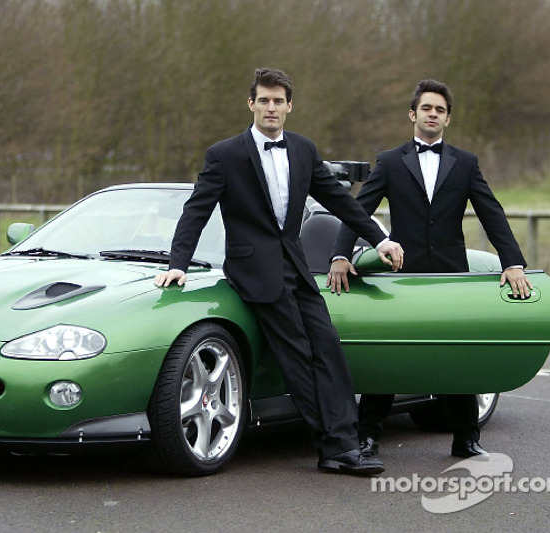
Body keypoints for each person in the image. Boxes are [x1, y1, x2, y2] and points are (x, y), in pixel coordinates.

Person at [154, 68, 404, 476]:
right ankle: (333, 448)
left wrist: (379, 240)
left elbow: (342, 202)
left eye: (279, 101)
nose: (271, 108)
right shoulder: (225, 154)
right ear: (251, 104)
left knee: (329, 350)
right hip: (255, 274)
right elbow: (196, 210)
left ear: (290, 106)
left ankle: (346, 440)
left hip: (297, 269)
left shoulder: (304, 150)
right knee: (298, 358)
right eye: (264, 100)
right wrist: (177, 265)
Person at [327, 78, 532, 460]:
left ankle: (466, 439)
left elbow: (491, 213)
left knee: (457, 355)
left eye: (439, 109)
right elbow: (359, 211)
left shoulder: (467, 163)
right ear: (413, 113)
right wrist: (340, 255)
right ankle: (368, 436)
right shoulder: (389, 161)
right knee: (391, 354)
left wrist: (513, 262)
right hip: (403, 277)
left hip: (452, 277)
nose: (432, 114)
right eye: (426, 108)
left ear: (447, 118)